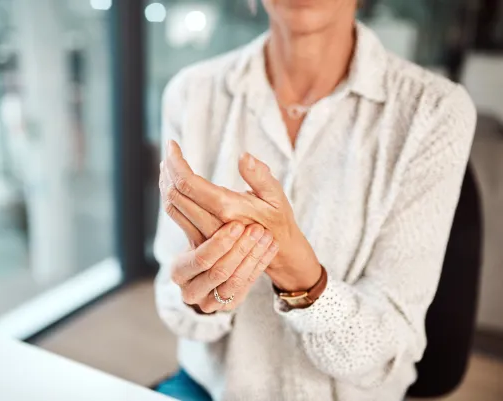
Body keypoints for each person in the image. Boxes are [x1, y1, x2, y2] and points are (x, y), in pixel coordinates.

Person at [153, 0, 477, 400]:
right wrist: (204, 297)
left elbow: (389, 343)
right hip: (213, 387)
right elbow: (172, 293)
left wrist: (298, 271)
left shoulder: (434, 110)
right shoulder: (192, 92)